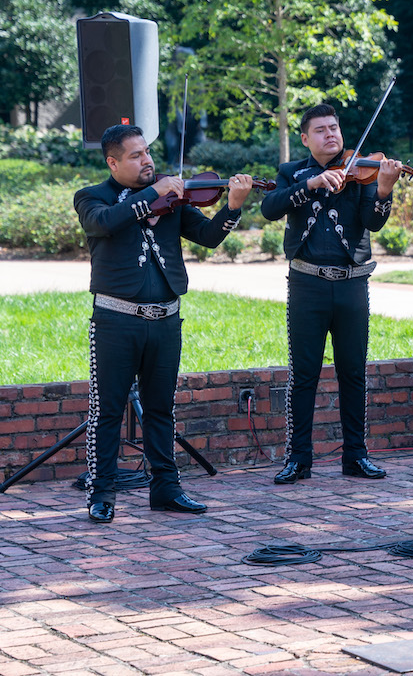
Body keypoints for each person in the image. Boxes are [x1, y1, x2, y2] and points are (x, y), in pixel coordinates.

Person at [75, 124, 255, 524]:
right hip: (115, 321)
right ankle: (101, 493)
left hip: (166, 320)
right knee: (107, 410)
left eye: (147, 152)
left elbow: (208, 236)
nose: (147, 160)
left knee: (161, 409)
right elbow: (103, 223)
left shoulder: (173, 195)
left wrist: (234, 206)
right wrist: (152, 193)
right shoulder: (91, 197)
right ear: (113, 162)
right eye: (136, 155)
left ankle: (166, 489)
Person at [261, 103, 403, 483]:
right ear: (305, 139)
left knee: (353, 372)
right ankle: (299, 458)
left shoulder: (363, 168)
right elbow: (269, 208)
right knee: (304, 374)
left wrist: (385, 188)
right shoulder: (292, 173)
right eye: (321, 130)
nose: (331, 135)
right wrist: (310, 185)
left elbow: (373, 220)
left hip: (353, 282)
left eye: (335, 128)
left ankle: (356, 456)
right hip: (307, 283)